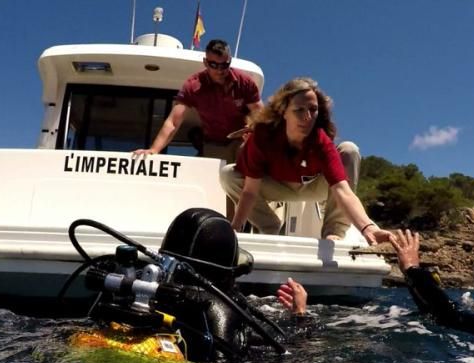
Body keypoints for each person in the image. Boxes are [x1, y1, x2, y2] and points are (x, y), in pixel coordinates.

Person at [79, 208, 308, 362]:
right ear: (226, 267)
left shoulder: (135, 283)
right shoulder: (223, 306)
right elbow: (277, 354)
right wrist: (300, 316)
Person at [220, 77, 392, 243]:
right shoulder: (263, 135)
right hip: (277, 187)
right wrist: (236, 228)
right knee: (228, 174)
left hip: (313, 187)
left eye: (313, 109)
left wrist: (368, 228)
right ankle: (269, 226)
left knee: (349, 149)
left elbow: (342, 190)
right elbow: (250, 191)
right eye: (299, 110)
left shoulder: (320, 140)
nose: (308, 117)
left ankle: (334, 232)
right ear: (283, 112)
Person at [132, 39, 261, 164]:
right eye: (214, 65)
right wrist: (154, 150)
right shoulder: (193, 86)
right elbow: (173, 121)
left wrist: (253, 130)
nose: (219, 70)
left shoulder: (244, 83)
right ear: (205, 62)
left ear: (230, 61)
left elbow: (260, 115)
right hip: (214, 144)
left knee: (250, 155)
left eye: (224, 65)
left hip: (240, 141)